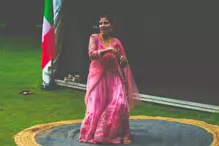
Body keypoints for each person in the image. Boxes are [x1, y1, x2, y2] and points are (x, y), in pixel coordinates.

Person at [79, 15, 141, 144]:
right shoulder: (94, 38)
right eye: (100, 23)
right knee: (96, 107)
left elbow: (123, 63)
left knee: (121, 104)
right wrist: (109, 50)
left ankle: (117, 133)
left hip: (114, 77)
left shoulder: (116, 42)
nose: (102, 26)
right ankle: (96, 134)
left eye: (106, 23)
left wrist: (123, 61)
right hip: (98, 77)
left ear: (111, 26)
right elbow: (92, 54)